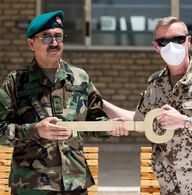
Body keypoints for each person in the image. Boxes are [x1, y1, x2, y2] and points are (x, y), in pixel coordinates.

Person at [103, 16, 192, 194]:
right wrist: (101, 103)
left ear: (188, 41)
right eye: (164, 41)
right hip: (170, 186)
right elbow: (140, 120)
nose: (171, 46)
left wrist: (184, 121)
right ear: (156, 46)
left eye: (178, 39)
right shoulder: (155, 83)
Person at [0, 10, 127, 195]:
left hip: (75, 183)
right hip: (32, 184)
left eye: (58, 37)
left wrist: (110, 127)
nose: (54, 43)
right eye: (46, 37)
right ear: (31, 43)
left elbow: (94, 119)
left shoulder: (79, 78)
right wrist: (35, 130)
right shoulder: (15, 82)